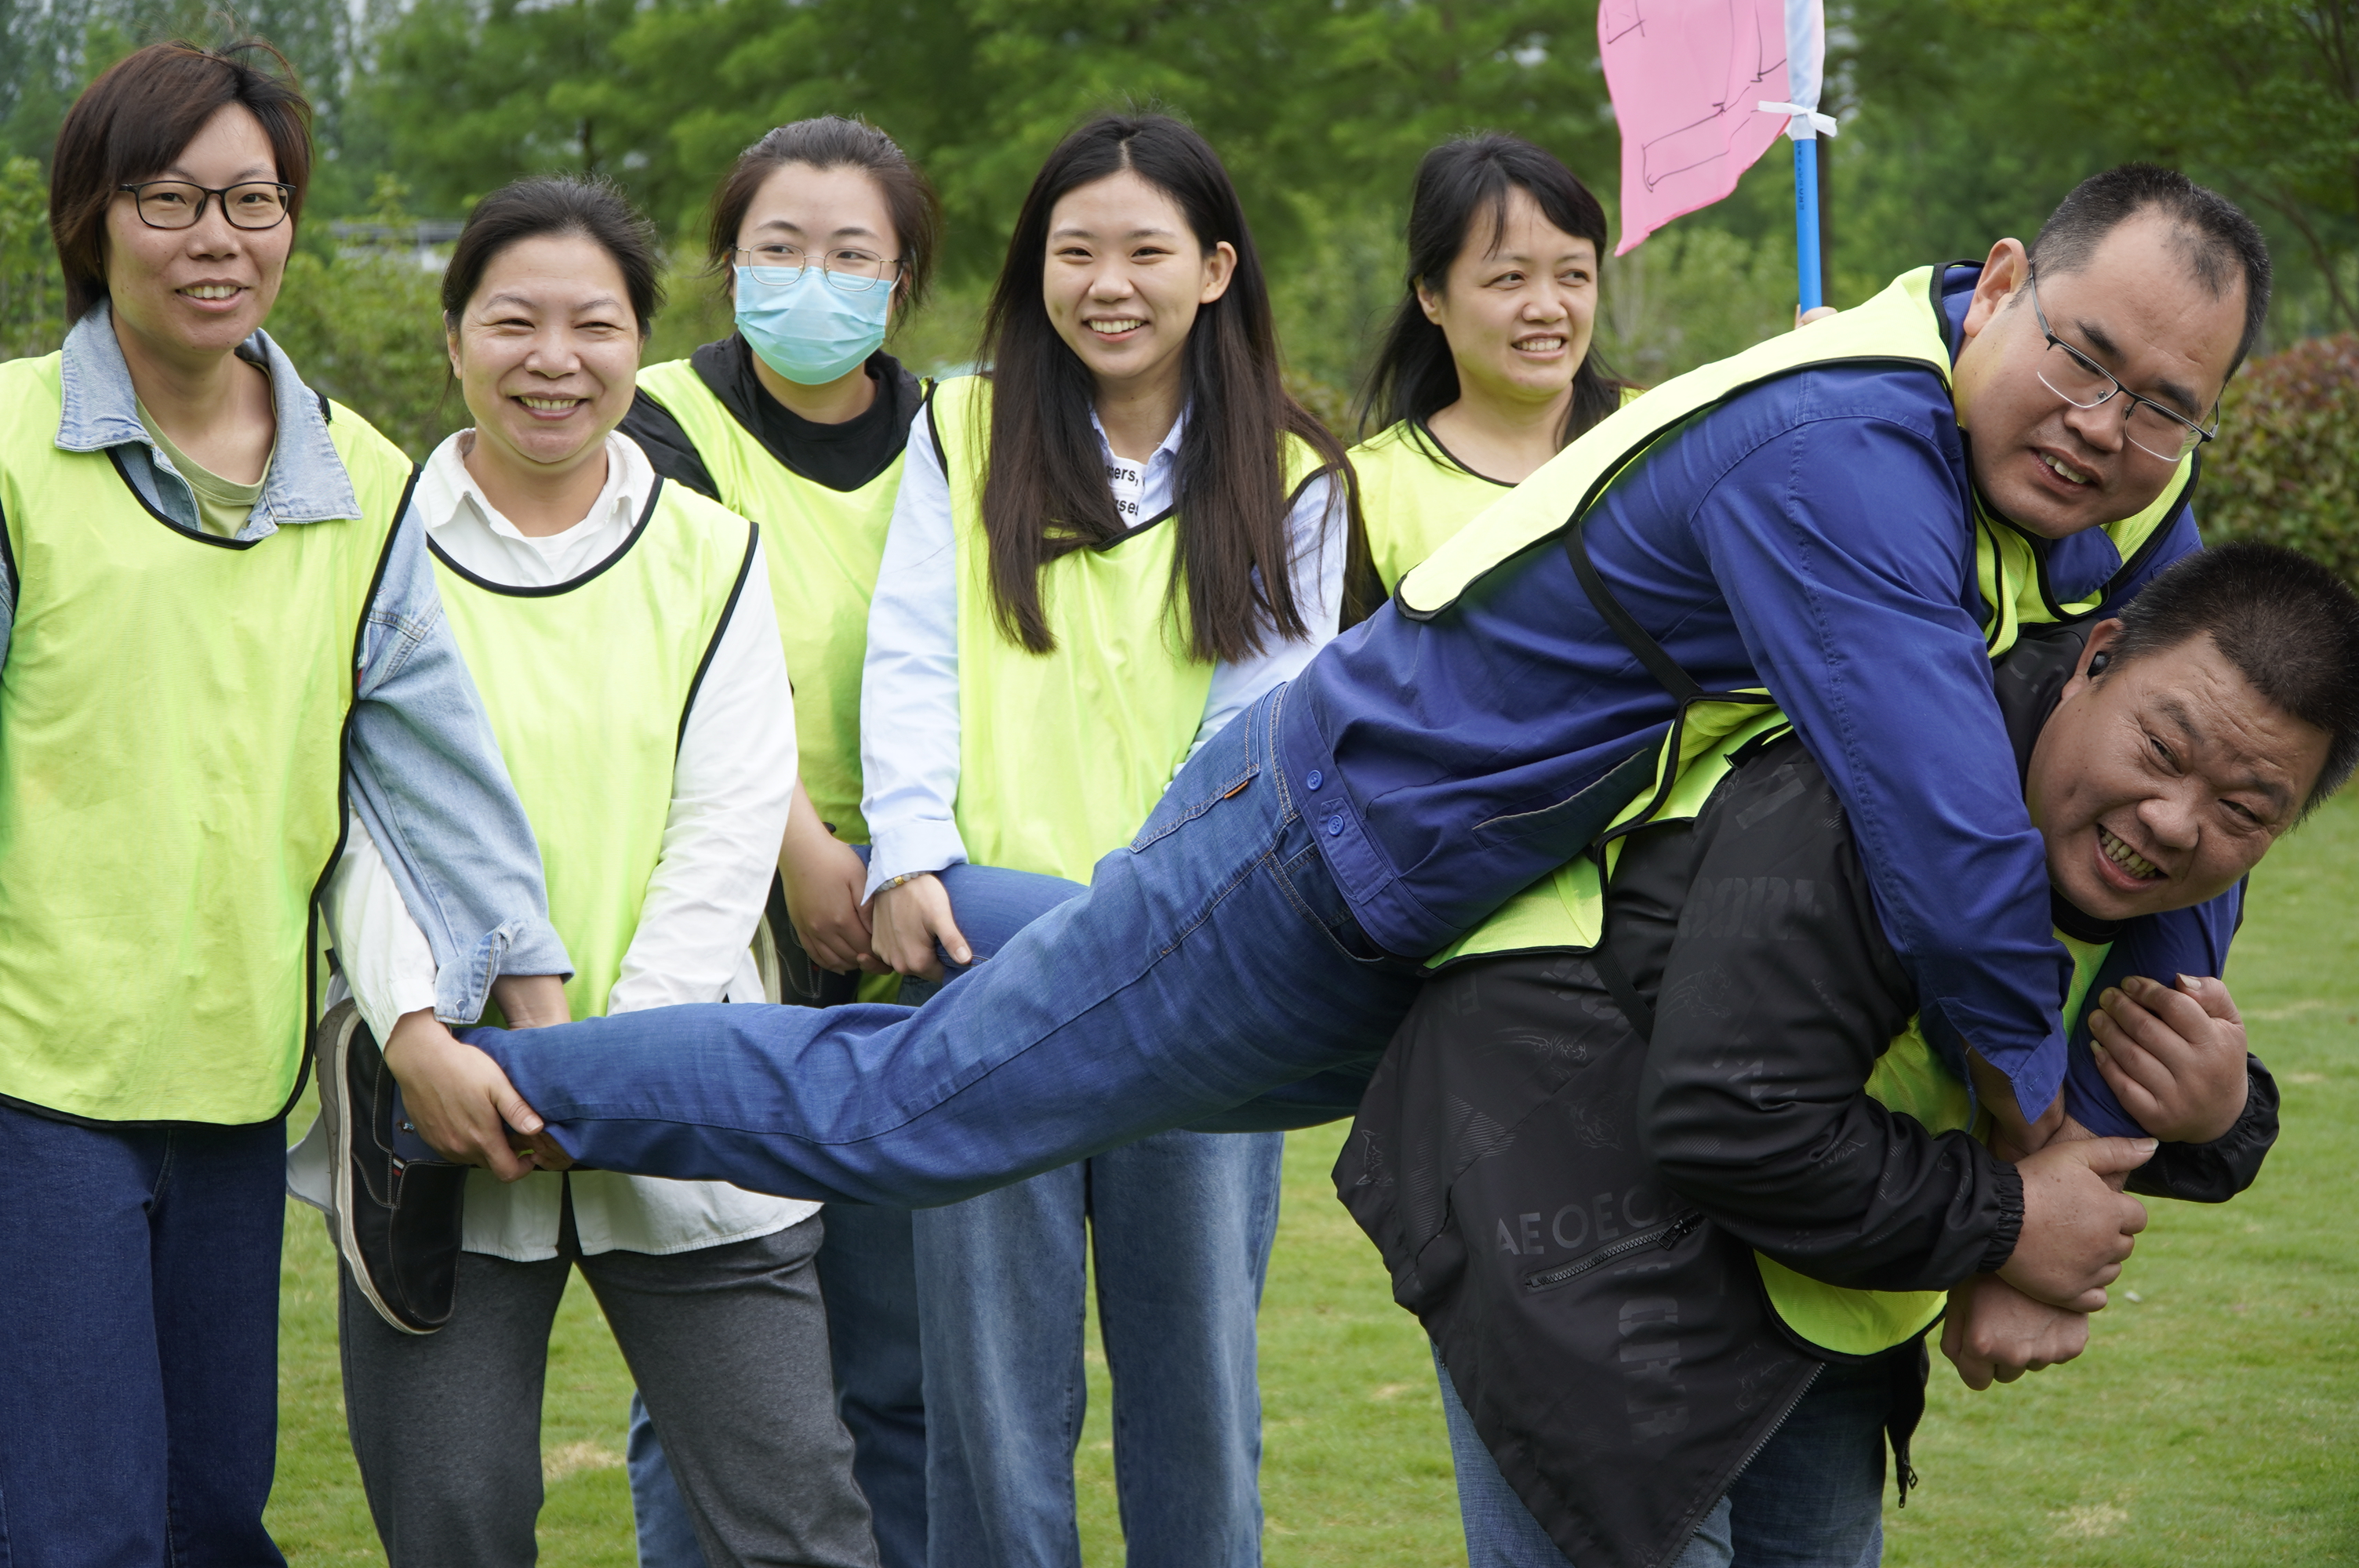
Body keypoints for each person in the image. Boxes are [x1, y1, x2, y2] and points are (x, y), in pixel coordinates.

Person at [363, 168, 2270, 1350]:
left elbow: (2202, 703)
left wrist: (2163, 1031)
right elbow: (1949, 835)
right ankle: (482, 1087)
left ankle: (979, 923)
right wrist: (2037, 1159)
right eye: (2080, 356)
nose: (2104, 427)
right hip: (1318, 867)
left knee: (1050, 981)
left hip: (1437, 907)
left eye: (2161, 406)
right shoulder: (1844, 451)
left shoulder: (2103, 478)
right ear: (1999, 281)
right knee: (906, 1109)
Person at [1341, 539, 2354, 1568]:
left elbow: (2082, 1057)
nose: (2174, 821)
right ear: (2095, 659)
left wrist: (2221, 1117)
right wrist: (2009, 1222)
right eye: (2161, 750)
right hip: (1574, 1206)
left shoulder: (2148, 845)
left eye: (2242, 811)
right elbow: (1729, 1115)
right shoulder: (1875, 787)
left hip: (1823, 1264)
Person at [0, 39, 569, 1566]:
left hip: (238, 1078)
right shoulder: (11, 446)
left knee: (211, 1512)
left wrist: (533, 998)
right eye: (169, 199)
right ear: (91, 218)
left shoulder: (358, 477)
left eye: (251, 202)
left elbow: (427, 765)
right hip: (33, 1079)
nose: (216, 240)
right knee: (78, 1527)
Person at [293, 176, 879, 1568]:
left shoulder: (712, 553)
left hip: (683, 1096)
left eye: (594, 325)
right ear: (452, 338)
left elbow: (729, 820)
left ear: (638, 345)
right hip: (439, 1107)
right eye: (513, 322)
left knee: (792, 1520)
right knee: (453, 1520)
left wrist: (609, 1071)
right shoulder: (368, 547)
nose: (553, 360)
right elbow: (355, 820)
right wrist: (420, 1032)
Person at [854, 112, 1348, 1567]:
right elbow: (910, 654)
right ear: (1036, 268)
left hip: (1198, 978)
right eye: (1075, 251)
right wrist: (904, 853)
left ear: (1215, 269)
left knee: (1195, 1379)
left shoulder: (1296, 472)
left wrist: (1144, 928)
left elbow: (1263, 732)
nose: (1107, 284)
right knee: (990, 1393)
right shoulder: (960, 430)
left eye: (1145, 251)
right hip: (983, 960)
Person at [618, 116, 944, 1568]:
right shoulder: (655, 421)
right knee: (717, 1351)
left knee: (902, 1352)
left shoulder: (957, 435)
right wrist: (797, 850)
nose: (812, 278)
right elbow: (671, 659)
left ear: (902, 278)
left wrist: (897, 866)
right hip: (724, 925)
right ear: (728, 260)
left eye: (850, 253)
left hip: (916, 927)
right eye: (779, 247)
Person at [1352, 132, 1627, 592]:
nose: (1548, 308)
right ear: (1430, 295)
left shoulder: (1670, 435)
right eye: (1510, 277)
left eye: (1574, 275)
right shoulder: (1363, 493)